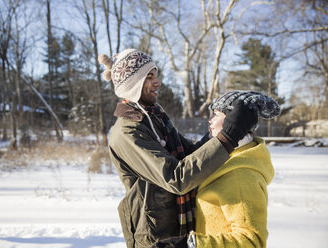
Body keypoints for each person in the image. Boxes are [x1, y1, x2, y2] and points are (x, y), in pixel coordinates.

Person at [98, 49, 258, 248]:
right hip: (155, 238)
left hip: (179, 229)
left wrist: (219, 130)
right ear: (131, 85)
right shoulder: (127, 133)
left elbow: (189, 154)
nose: (158, 82)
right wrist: (228, 137)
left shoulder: (156, 118)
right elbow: (176, 177)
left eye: (155, 75)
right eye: (149, 76)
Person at [154, 91, 280, 248]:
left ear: (235, 121)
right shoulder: (223, 162)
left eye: (216, 114)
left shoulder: (241, 175)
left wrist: (192, 245)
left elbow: (251, 241)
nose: (209, 120)